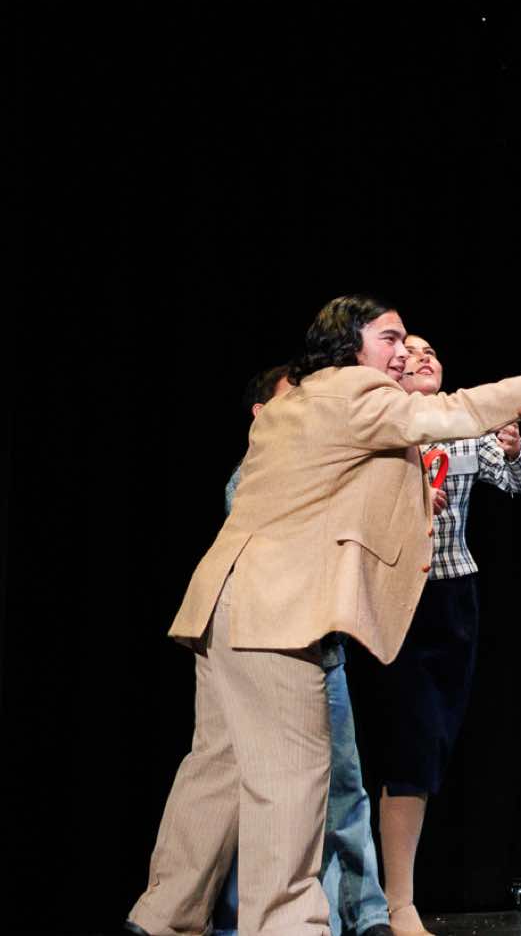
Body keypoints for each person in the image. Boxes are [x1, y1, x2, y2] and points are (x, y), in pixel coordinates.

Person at [126, 296, 521, 936]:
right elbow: (453, 412)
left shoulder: (296, 402)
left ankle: (162, 917)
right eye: (390, 338)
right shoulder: (353, 391)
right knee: (292, 780)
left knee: (218, 770)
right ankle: (286, 926)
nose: (403, 351)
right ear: (349, 345)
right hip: (277, 614)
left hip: (226, 606)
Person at [348, 333, 521, 936]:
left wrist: (512, 449)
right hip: (384, 597)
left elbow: (520, 482)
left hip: (450, 595)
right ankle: (358, 899)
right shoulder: (376, 424)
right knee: (376, 746)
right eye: (410, 350)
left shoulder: (461, 424)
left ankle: (398, 903)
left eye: (431, 350)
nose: (423, 357)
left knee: (422, 749)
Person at [216, 367, 395, 936]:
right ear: (262, 414)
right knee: (271, 795)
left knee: (345, 788)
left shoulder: (322, 464)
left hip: (323, 654)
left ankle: (366, 913)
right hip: (267, 656)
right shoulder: (251, 476)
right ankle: (250, 917)